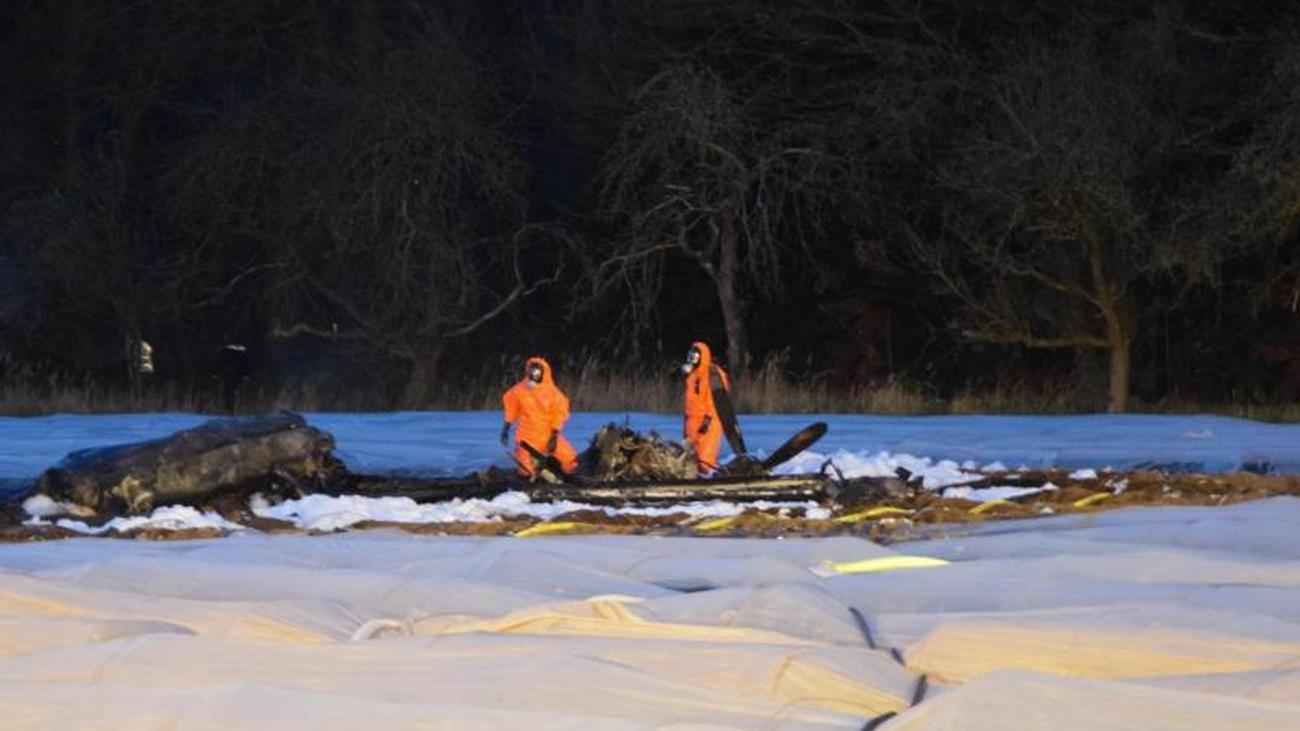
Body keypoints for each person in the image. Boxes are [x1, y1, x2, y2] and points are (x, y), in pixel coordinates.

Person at [500, 356, 579, 477]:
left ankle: (572, 480)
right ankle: (528, 482)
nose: (534, 374)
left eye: (537, 371)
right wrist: (505, 428)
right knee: (525, 470)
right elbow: (511, 408)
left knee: (570, 460)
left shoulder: (553, 393)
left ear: (544, 373)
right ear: (527, 371)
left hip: (548, 435)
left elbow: (560, 413)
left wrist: (554, 435)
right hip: (526, 438)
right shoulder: (518, 390)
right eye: (531, 370)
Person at [681, 341, 730, 474]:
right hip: (692, 422)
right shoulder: (692, 375)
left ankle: (707, 483)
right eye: (691, 356)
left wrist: (708, 421)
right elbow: (689, 402)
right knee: (689, 458)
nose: (692, 360)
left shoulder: (713, 374)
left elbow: (718, 401)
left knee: (705, 458)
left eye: (695, 356)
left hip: (709, 422)